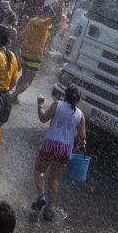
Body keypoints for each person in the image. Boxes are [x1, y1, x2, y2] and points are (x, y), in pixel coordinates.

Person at [32, 87, 86, 222]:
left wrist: (40, 104)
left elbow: (43, 118)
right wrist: (81, 141)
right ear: (78, 100)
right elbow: (82, 136)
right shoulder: (80, 114)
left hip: (51, 144)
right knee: (54, 179)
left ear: (64, 95)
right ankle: (49, 210)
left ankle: (41, 195)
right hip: (65, 149)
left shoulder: (57, 105)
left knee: (39, 170)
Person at [10, 7, 54, 104]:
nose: (51, 16)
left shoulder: (32, 20)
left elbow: (22, 35)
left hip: (25, 53)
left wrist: (17, 48)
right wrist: (61, 1)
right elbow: (57, 18)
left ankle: (14, 97)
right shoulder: (44, 23)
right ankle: (12, 95)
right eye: (50, 14)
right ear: (46, 14)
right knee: (28, 81)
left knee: (24, 76)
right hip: (35, 57)